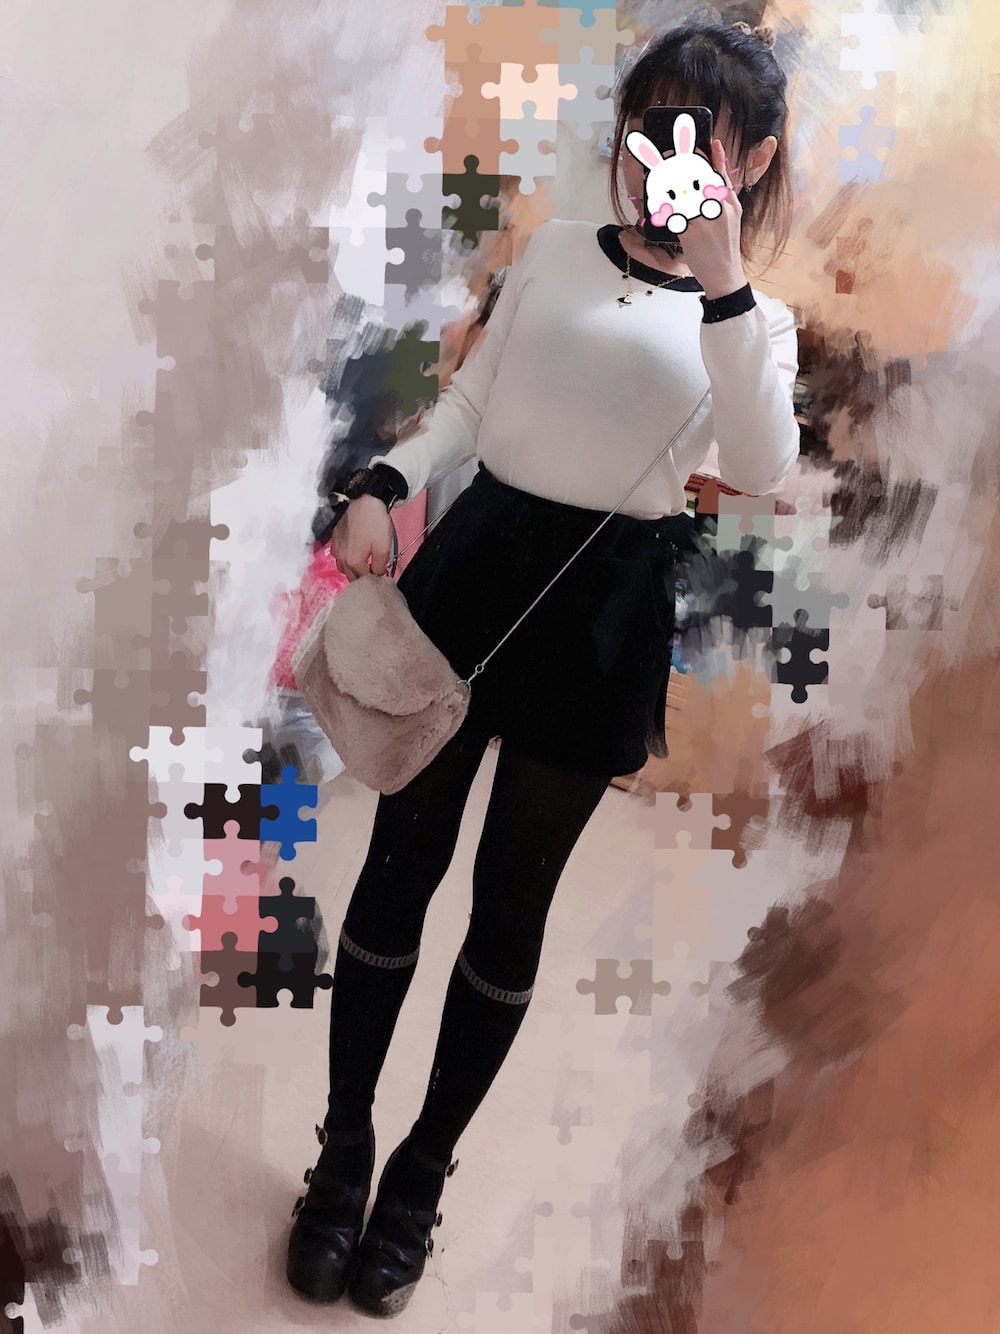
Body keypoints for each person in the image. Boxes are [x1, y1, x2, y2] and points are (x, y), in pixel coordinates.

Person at [285, 18, 799, 1319]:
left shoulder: (757, 322)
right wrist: (384, 478)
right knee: (398, 866)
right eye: (651, 123)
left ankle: (420, 1175)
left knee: (508, 912)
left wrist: (724, 278)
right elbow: (472, 406)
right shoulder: (562, 251)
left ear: (753, 157)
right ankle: (342, 1151)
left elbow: (758, 465)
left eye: (702, 134)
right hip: (474, 572)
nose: (666, 154)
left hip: (602, 614)